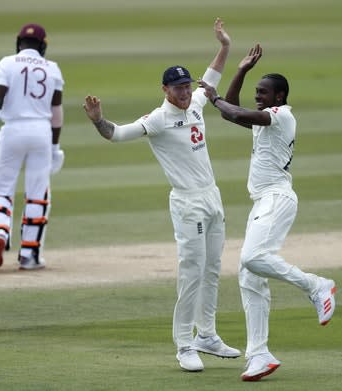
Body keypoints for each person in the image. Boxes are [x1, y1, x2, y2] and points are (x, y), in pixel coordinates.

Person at [83, 18, 240, 373]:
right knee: (191, 272)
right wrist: (98, 120)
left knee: (213, 269)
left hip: (212, 197)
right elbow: (118, 135)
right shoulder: (157, 119)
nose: (185, 91)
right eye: (178, 87)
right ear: (165, 89)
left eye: (187, 85)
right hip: (187, 202)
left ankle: (207, 335)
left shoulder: (198, 102)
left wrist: (225, 46)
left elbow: (211, 77)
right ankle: (184, 344)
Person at [198, 44, 337, 382]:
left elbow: (233, 112)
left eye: (263, 92)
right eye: (256, 92)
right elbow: (231, 111)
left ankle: (317, 285)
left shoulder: (282, 116)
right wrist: (241, 72)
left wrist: (215, 98)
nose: (257, 96)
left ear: (280, 96)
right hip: (263, 202)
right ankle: (259, 354)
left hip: (277, 198)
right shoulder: (266, 120)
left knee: (251, 258)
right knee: (250, 276)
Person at [0, 22, 65, 270]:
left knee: (1, 188)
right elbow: (56, 112)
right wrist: (55, 148)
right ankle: (30, 255)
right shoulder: (53, 69)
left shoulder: (7, 63)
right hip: (41, 133)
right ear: (43, 46)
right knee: (37, 193)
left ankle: (0, 231)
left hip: (12, 130)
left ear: (18, 43)